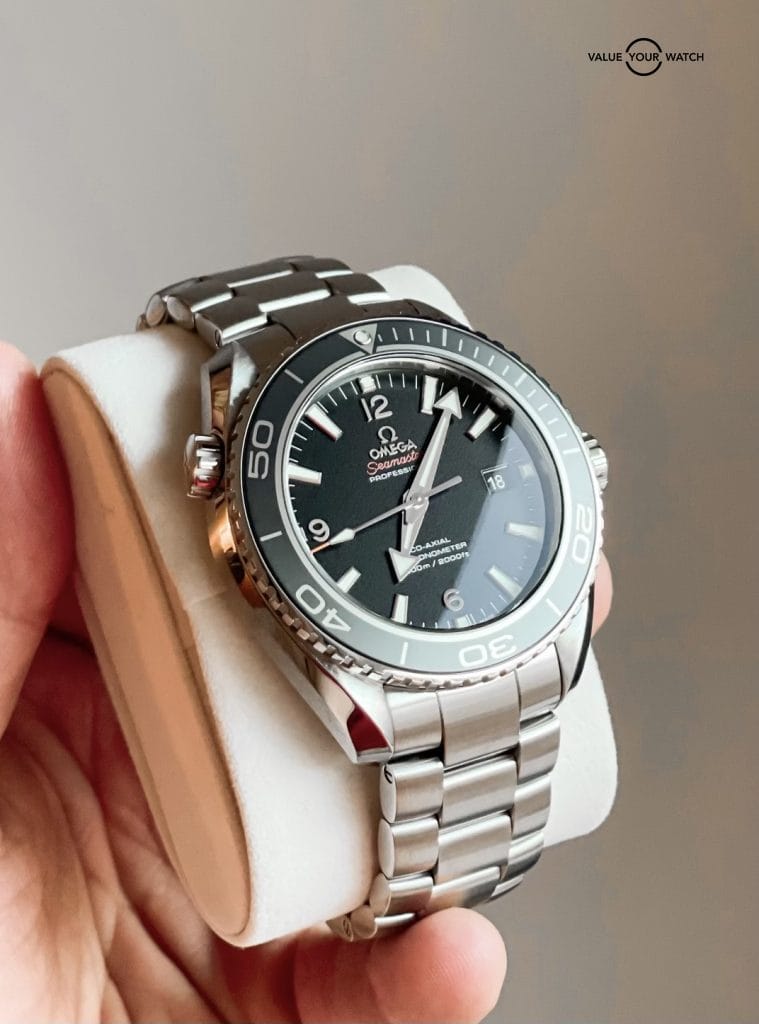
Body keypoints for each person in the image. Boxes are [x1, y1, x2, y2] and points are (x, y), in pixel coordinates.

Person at [0, 340, 612, 1024]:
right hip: (374, 672)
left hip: (507, 641)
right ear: (211, 479)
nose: (416, 498)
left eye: (421, 491)